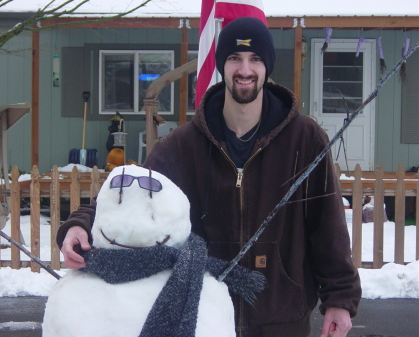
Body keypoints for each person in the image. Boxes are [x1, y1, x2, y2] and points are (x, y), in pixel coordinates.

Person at [57, 17, 361, 337]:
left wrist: (339, 297)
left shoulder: (305, 139)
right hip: (204, 317)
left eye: (255, 59)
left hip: (282, 318)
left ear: (267, 66)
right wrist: (80, 223)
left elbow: (327, 227)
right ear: (222, 65)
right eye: (234, 58)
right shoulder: (181, 146)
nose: (245, 69)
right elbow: (132, 193)